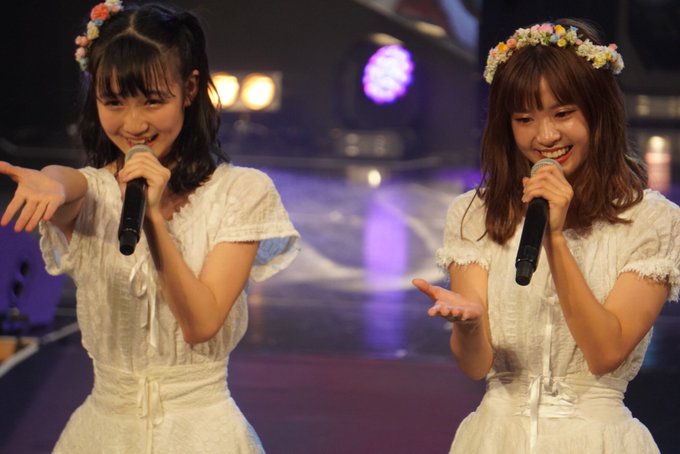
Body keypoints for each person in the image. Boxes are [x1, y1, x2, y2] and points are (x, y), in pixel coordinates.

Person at [0, 1, 299, 453]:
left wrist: (153, 219)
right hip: (102, 435)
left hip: (204, 435)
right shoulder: (93, 193)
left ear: (189, 88)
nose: (134, 124)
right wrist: (50, 181)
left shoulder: (242, 192)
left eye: (152, 101)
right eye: (113, 102)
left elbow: (201, 323)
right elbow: (70, 182)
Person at [412, 18, 680, 453]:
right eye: (524, 118)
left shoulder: (652, 220)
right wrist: (470, 326)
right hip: (495, 438)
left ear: (598, 112)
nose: (546, 135)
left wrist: (554, 239)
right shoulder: (473, 213)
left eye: (562, 114)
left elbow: (605, 351)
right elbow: (476, 366)